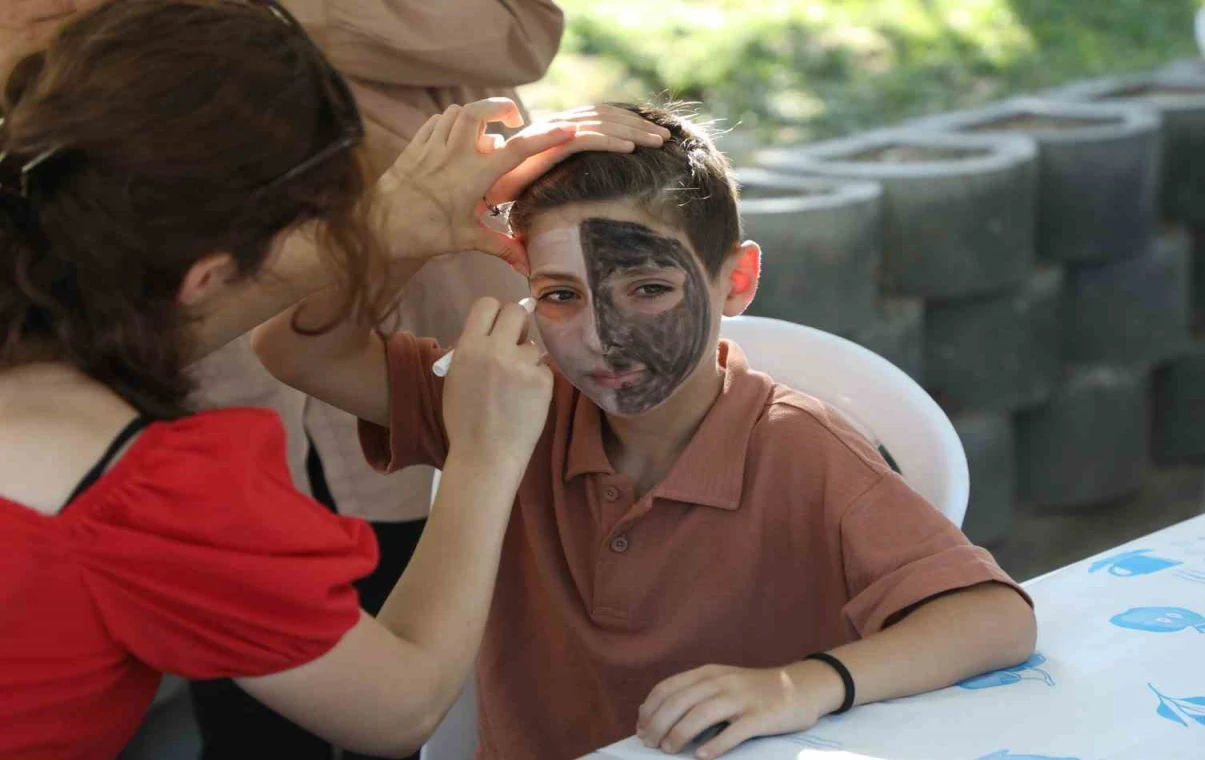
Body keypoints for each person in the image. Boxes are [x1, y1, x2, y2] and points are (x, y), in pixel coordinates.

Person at [254, 103, 1040, 760]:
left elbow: (994, 617)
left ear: (735, 281)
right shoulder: (512, 401)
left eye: (650, 287)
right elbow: (293, 346)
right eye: (560, 295)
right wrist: (403, 234)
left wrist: (801, 684)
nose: (603, 337)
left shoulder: (802, 447)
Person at [0, 2, 660, 758]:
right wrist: (482, 454)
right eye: (319, 237)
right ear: (211, 275)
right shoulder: (151, 498)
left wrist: (387, 228)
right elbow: (401, 706)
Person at [183, 2, 565, 757]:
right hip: (202, 322)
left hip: (422, 296)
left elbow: (525, 28)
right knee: (244, 683)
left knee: (421, 606)